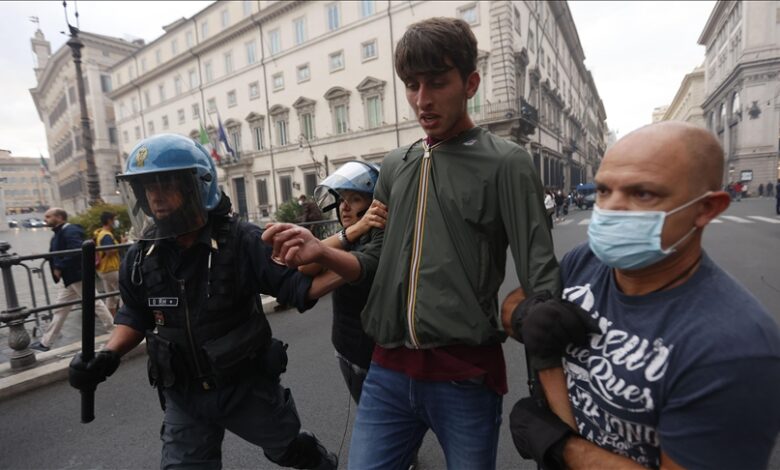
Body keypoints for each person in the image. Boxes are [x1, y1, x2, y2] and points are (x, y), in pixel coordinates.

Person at [263, 17, 560, 469]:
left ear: (471, 82)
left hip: (465, 375)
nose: (422, 100)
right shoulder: (396, 166)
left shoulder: (507, 163)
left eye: (437, 83)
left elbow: (541, 283)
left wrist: (551, 396)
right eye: (411, 85)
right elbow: (376, 261)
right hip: (387, 372)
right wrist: (321, 250)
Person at [507, 122, 780, 469]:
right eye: (604, 190)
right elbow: (512, 304)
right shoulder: (585, 260)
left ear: (706, 209)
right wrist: (526, 314)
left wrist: (563, 448)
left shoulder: (736, 347)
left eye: (643, 194)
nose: (611, 208)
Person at [67, 134, 337, 470]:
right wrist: (108, 355)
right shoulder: (140, 257)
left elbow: (298, 287)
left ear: (197, 186)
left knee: (290, 450)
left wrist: (360, 264)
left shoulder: (241, 241)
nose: (156, 197)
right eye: (148, 188)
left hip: (245, 387)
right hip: (184, 396)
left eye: (166, 185)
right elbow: (135, 313)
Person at [300, 161, 385, 403]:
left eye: (355, 199)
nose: (344, 207)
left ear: (374, 205)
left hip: (377, 358)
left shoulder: (377, 244)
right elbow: (306, 264)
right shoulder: (350, 238)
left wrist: (357, 231)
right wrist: (354, 231)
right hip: (347, 349)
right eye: (341, 199)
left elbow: (311, 264)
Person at [30, 208, 115, 352]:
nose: (45, 219)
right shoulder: (59, 232)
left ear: (59, 217)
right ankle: (46, 342)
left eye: (48, 216)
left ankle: (114, 332)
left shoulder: (70, 231)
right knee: (61, 308)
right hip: (70, 277)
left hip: (76, 275)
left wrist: (59, 266)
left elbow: (76, 250)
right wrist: (46, 256)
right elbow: (58, 252)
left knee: (95, 303)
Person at [94, 211, 121, 316]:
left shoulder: (100, 233)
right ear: (109, 221)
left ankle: (113, 322)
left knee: (111, 297)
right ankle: (126, 322)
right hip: (111, 269)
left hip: (104, 269)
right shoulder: (106, 235)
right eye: (115, 219)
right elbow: (108, 251)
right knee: (124, 293)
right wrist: (121, 244)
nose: (116, 222)